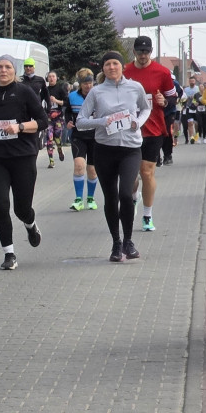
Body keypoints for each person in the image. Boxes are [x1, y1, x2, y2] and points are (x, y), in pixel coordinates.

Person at [0, 56, 48, 270]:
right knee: (1, 205)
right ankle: (9, 254)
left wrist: (20, 127)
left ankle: (30, 224)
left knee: (22, 208)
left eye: (8, 67)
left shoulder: (25, 92)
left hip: (23, 157)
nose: (3, 70)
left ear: (14, 71)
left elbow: (43, 121)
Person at [76, 51, 152, 262]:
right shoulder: (96, 92)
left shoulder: (135, 87)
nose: (111, 67)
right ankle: (116, 244)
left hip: (130, 148)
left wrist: (138, 122)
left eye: (115, 63)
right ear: (103, 68)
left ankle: (128, 241)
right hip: (105, 150)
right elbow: (81, 121)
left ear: (122, 66)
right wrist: (103, 121)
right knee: (110, 198)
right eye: (107, 64)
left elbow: (146, 109)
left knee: (126, 194)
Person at [124, 35, 177, 231]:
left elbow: (173, 99)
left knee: (146, 172)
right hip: (129, 130)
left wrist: (165, 101)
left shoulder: (162, 72)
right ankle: (133, 197)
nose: (143, 55)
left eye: (146, 52)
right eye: (140, 51)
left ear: (151, 52)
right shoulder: (125, 72)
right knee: (130, 176)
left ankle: (147, 215)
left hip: (153, 129)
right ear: (134, 52)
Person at [65, 68, 99, 211]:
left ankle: (90, 198)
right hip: (78, 136)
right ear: (80, 84)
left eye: (90, 82)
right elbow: (67, 112)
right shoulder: (72, 96)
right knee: (79, 165)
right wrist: (68, 122)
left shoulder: (98, 95)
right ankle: (78, 199)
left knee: (92, 170)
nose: (88, 86)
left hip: (95, 137)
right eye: (85, 83)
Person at [45, 71, 68, 168]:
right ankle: (51, 161)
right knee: (49, 139)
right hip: (48, 118)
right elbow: (39, 100)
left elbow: (66, 102)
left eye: (53, 76)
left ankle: (59, 148)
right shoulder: (45, 90)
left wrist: (55, 101)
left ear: (56, 78)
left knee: (57, 138)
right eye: (49, 77)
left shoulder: (60, 89)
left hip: (58, 117)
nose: (51, 78)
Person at [180, 74, 200, 144]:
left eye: (193, 81)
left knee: (197, 124)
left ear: (195, 82)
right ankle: (191, 137)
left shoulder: (198, 88)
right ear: (189, 82)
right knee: (190, 123)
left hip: (197, 108)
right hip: (189, 108)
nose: (192, 82)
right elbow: (183, 98)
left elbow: (201, 96)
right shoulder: (186, 89)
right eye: (190, 81)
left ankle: (197, 135)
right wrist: (186, 100)